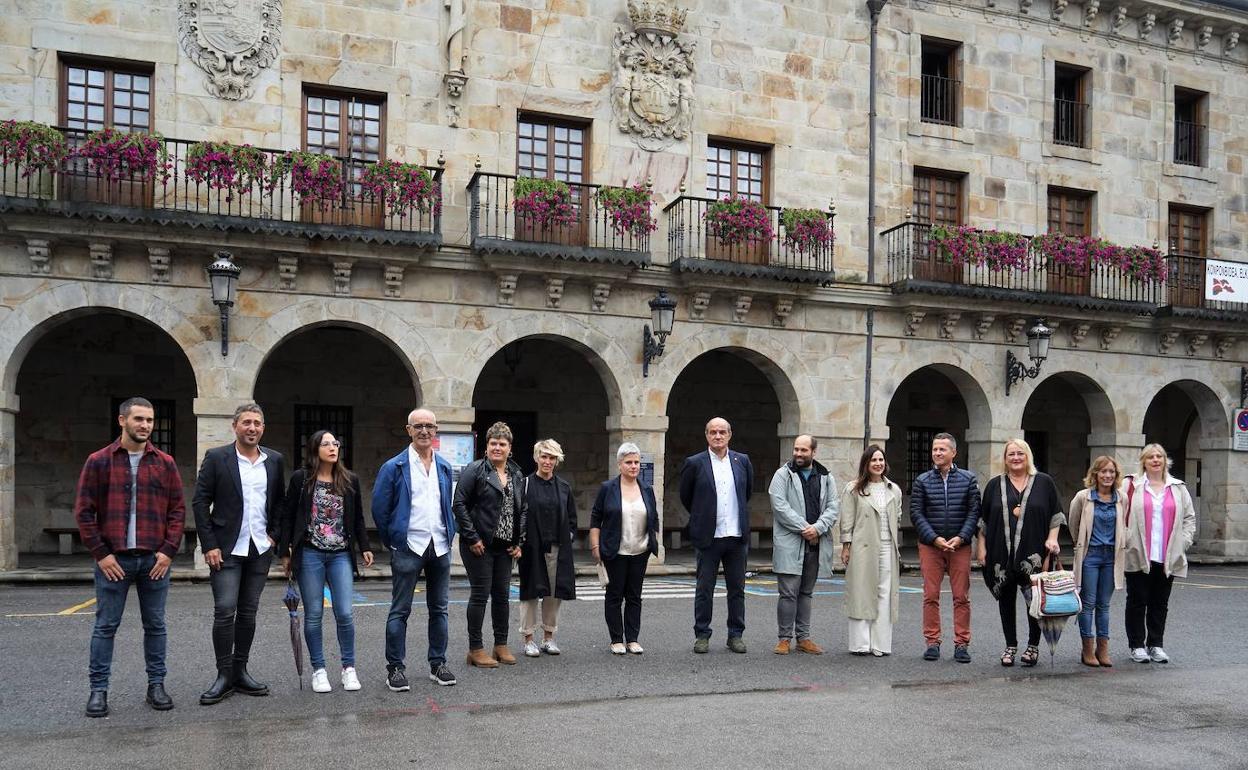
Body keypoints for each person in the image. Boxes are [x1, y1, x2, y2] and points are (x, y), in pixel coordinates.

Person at [74, 397, 185, 717]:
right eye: (139, 419)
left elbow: (177, 510)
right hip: (114, 561)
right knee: (105, 626)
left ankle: (156, 685)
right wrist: (101, 554)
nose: (145, 425)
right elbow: (84, 511)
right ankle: (98, 691)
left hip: (154, 560)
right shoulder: (99, 461)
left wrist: (167, 551)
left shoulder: (164, 463)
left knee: (156, 625)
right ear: (122, 420)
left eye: (149, 420)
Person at [192, 402, 286, 705]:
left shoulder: (274, 460)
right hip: (226, 549)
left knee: (248, 612)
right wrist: (209, 545)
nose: (252, 428)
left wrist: (274, 535)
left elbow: (279, 502)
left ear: (263, 428)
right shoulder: (218, 458)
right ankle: (224, 675)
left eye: (257, 423)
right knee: (224, 610)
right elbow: (199, 501)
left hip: (259, 547)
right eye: (246, 422)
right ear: (235, 426)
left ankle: (241, 670)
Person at [277, 430, 374, 693]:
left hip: (341, 553)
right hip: (310, 553)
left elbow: (358, 518)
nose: (332, 447)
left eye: (335, 443)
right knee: (314, 615)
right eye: (326, 444)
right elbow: (287, 516)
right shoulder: (302, 479)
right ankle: (319, 670)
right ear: (314, 449)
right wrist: (285, 552)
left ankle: (348, 668)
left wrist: (364, 546)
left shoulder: (349, 479)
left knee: (344, 612)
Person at [372, 408, 458, 689]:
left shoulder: (444, 466)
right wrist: (395, 541)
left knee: (440, 609)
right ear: (408, 430)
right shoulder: (394, 467)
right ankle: (395, 669)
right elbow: (380, 509)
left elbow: (449, 505)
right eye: (418, 426)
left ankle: (438, 663)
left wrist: (451, 531)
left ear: (436, 431)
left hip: (440, 546)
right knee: (400, 610)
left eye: (430, 426)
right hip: (409, 546)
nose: (424, 431)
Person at [978, 439, 1063, 668]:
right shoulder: (995, 485)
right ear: (1005, 459)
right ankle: (1011, 645)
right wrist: (981, 547)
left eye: (1020, 454)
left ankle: (1033, 646)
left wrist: (1052, 538)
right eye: (1011, 454)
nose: (1016, 458)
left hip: (1033, 553)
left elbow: (1056, 515)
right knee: (1005, 600)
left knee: (1033, 602)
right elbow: (983, 521)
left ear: (1028, 456)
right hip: (1000, 554)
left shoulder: (1044, 482)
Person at [453, 421, 526, 668]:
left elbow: (522, 510)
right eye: (493, 443)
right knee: (480, 595)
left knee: (502, 597)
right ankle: (475, 649)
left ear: (510, 448)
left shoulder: (516, 474)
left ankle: (501, 645)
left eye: (502, 444)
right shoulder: (474, 470)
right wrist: (472, 537)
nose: (497, 447)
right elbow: (459, 504)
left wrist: (518, 542)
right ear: (486, 447)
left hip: (504, 547)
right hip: (479, 546)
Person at [680, 417, 754, 654]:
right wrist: (704, 516)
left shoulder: (742, 461)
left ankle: (735, 635)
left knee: (737, 589)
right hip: (708, 538)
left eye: (722, 432)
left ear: (730, 435)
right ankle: (702, 634)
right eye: (713, 432)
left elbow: (747, 492)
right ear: (706, 435)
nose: (718, 436)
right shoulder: (694, 463)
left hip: (735, 536)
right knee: (704, 589)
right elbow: (686, 496)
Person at [1120, 443, 1196, 664]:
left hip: (1167, 556)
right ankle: (1136, 645)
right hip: (1138, 553)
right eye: (1150, 457)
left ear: (1165, 460)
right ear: (1143, 461)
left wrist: (1183, 542)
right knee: (1137, 600)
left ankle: (1156, 644)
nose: (1155, 460)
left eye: (1159, 456)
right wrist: (1126, 538)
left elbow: (1189, 518)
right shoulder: (1131, 484)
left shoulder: (1178, 487)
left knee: (1160, 602)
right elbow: (1119, 512)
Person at [909, 433, 980, 663]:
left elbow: (974, 512)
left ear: (953, 453)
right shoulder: (922, 481)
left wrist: (961, 537)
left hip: (960, 546)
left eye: (942, 449)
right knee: (931, 596)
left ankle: (961, 644)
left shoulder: (968, 479)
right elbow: (916, 513)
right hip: (931, 547)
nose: (937, 453)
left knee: (961, 597)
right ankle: (932, 642)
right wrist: (934, 538)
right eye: (934, 449)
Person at [767, 434, 838, 655]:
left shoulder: (826, 477)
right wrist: (805, 528)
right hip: (791, 542)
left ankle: (804, 638)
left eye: (803, 450)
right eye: (796, 449)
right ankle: (784, 639)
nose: (798, 453)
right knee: (788, 592)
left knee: (806, 592)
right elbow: (779, 506)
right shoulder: (782, 474)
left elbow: (833, 508)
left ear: (813, 452)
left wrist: (817, 528)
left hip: (815, 543)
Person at [589, 442, 659, 654]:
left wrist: (652, 541)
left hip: (640, 550)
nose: (634, 466)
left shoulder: (646, 489)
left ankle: (633, 639)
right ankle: (616, 639)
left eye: (637, 462)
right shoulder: (607, 488)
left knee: (634, 596)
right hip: (615, 551)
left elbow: (653, 517)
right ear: (619, 464)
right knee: (614, 596)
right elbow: (595, 518)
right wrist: (595, 546)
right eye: (629, 462)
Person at [839, 445, 903, 657]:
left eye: (881, 460)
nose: (878, 463)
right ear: (866, 463)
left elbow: (898, 518)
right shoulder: (853, 488)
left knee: (885, 593)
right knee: (861, 592)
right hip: (863, 546)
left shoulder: (893, 489)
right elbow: (846, 520)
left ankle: (881, 644)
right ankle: (860, 644)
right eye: (873, 460)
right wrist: (846, 546)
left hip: (887, 546)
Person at [518, 439, 578, 657]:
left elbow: (572, 518)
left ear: (557, 460)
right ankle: (528, 639)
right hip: (531, 547)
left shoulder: (563, 487)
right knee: (530, 593)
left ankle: (548, 637)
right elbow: (517, 515)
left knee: (554, 594)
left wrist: (568, 536)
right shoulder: (524, 484)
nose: (547, 461)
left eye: (552, 457)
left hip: (556, 547)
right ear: (536, 458)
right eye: (544, 456)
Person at [1067, 455, 1126, 668]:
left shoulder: (1121, 498)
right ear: (1095, 474)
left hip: (1111, 556)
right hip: (1090, 556)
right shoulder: (1084, 497)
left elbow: (1123, 526)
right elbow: (1074, 524)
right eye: (1103, 471)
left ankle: (1103, 649)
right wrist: (1081, 546)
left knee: (1104, 605)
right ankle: (1087, 649)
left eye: (1111, 472)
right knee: (1088, 603)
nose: (1107, 475)